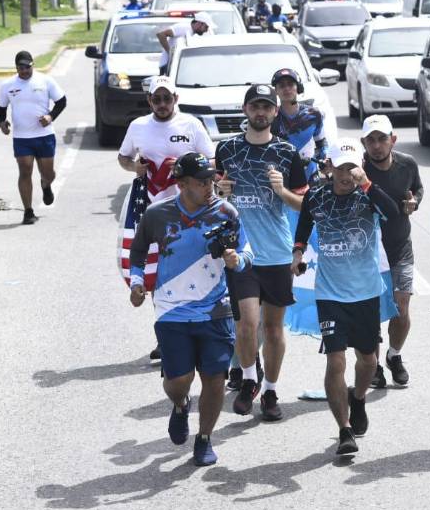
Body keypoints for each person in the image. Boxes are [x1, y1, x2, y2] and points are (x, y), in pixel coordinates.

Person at [129, 152, 253, 466]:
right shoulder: (158, 214)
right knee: (178, 381)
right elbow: (139, 249)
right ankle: (181, 404)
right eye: (201, 182)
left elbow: (246, 250)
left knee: (214, 378)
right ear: (182, 184)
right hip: (172, 310)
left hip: (215, 309)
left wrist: (238, 262)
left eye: (211, 179)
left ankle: (204, 439)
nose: (209, 185)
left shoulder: (226, 211)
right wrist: (136, 281)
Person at [292, 138, 398, 455]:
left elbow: (393, 215)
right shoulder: (318, 196)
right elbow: (305, 221)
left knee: (367, 361)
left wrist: (368, 185)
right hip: (330, 294)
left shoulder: (368, 196)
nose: (346, 174)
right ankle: (344, 430)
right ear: (331, 168)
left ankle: (359, 398)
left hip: (365, 292)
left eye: (352, 167)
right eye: (341, 167)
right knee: (335, 361)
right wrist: (297, 252)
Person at [215, 84, 307, 421]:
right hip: (242, 254)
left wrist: (281, 190)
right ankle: (249, 380)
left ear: (275, 112)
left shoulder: (286, 153)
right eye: (255, 106)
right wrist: (219, 190)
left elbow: (303, 203)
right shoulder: (227, 149)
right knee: (247, 324)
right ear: (244, 109)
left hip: (278, 254)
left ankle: (269, 390)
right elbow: (216, 198)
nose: (261, 112)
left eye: (267, 107)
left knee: (273, 329)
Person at [118, 75, 215, 360]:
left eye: (167, 98)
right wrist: (134, 167)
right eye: (156, 99)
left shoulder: (191, 125)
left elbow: (211, 159)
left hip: (191, 207)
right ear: (149, 101)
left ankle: (199, 326)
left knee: (190, 267)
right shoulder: (138, 126)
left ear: (176, 99)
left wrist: (185, 169)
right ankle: (166, 335)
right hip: (153, 209)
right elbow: (123, 158)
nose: (162, 104)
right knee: (158, 272)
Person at [360, 115, 423, 388]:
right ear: (363, 142)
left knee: (402, 307)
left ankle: (394, 355)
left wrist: (415, 201)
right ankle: (373, 366)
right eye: (371, 140)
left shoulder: (407, 164)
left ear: (393, 140)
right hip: (366, 254)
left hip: (400, 249)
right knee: (371, 312)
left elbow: (417, 189)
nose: (377, 146)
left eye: (382, 139)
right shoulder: (356, 169)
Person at [0, 50, 66, 225]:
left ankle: (45, 184)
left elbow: (61, 101)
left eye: (27, 67)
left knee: (48, 173)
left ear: (33, 64)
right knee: (25, 170)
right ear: (16, 68)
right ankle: (28, 211)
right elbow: (0, 108)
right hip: (22, 137)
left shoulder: (45, 80)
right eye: (21, 68)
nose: (25, 71)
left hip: (44, 135)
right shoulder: (7, 85)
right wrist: (2, 123)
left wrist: (50, 117)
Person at [270, 67, 328, 179]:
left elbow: (321, 143)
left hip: (310, 175)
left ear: (298, 88)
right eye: (281, 85)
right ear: (276, 91)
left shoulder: (314, 114)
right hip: (281, 178)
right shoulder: (271, 117)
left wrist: (325, 158)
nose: (286, 89)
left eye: (291, 84)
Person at [156, 11, 216, 75]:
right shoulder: (184, 27)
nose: (206, 30)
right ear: (199, 23)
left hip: (174, 66)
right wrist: (170, 53)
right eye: (206, 27)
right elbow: (161, 35)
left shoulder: (190, 31)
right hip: (167, 65)